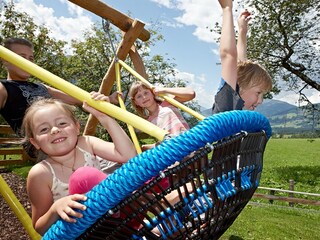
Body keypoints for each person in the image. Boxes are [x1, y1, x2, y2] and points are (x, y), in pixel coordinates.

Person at [23, 96, 137, 235]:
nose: (54, 130)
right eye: (44, 129)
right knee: (85, 176)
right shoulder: (41, 173)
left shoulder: (87, 143)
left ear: (77, 127)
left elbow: (129, 156)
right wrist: (55, 208)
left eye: (62, 123)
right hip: (88, 233)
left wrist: (104, 117)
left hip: (125, 217)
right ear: (35, 143)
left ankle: (160, 202)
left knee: (141, 169)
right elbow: (40, 227)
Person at [0, 38, 119, 158]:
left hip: (67, 140)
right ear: (5, 61)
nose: (27, 62)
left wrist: (107, 99)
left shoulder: (40, 86)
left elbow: (77, 98)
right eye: (21, 57)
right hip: (44, 149)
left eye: (31, 58)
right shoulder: (3, 88)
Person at [212, 1, 272, 114]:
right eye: (258, 93)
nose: (260, 101)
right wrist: (227, 8)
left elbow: (241, 64)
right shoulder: (228, 103)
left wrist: (242, 31)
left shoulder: (239, 105)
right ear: (241, 83)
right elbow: (229, 55)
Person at [128, 81, 195, 150]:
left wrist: (164, 90)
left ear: (152, 93)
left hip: (187, 141)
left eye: (146, 93)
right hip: (174, 151)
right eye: (139, 96)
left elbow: (191, 93)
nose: (144, 97)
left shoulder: (167, 103)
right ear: (136, 102)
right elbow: (164, 140)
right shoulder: (148, 122)